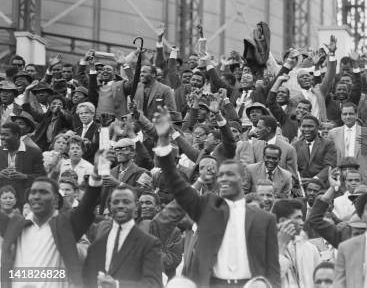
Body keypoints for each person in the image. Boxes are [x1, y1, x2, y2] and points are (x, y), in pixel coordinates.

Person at [153, 110, 280, 287]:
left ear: (241, 179)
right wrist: (164, 144)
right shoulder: (207, 208)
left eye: (231, 175)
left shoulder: (265, 219)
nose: (225, 179)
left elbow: (273, 268)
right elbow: (177, 186)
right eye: (223, 176)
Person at [0, 169, 103, 287]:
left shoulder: (65, 225)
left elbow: (86, 207)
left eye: (43, 192)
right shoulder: (16, 225)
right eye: (33, 192)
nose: (36, 196)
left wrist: (96, 175)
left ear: (56, 199)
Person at [83, 184, 163, 288]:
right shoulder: (96, 246)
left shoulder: (149, 244)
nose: (120, 205)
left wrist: (117, 285)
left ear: (136, 207)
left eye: (126, 202)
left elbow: (154, 285)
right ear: (110, 206)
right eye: (116, 202)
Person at [273, 198, 321, 288]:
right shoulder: (265, 247)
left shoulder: (310, 248)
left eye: (301, 218)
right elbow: (271, 278)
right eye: (298, 218)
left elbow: (320, 279)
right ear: (283, 221)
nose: (302, 222)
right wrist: (281, 247)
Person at [327, 102, 367, 181]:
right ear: (341, 116)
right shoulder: (333, 133)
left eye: (351, 114)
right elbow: (329, 157)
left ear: (356, 115)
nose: (348, 117)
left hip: (362, 177)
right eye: (345, 114)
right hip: (339, 177)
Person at [0, 121, 45, 207]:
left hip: (24, 203)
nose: (2, 137)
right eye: (1, 134)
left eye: (6, 135)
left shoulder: (34, 153)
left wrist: (25, 176)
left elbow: (42, 178)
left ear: (16, 136)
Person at [293, 115, 337, 186]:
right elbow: (293, 167)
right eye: (304, 126)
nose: (306, 129)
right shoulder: (295, 145)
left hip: (321, 185)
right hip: (301, 185)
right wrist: (298, 180)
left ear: (317, 128)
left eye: (310, 126)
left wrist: (315, 180)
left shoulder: (328, 144)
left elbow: (329, 166)